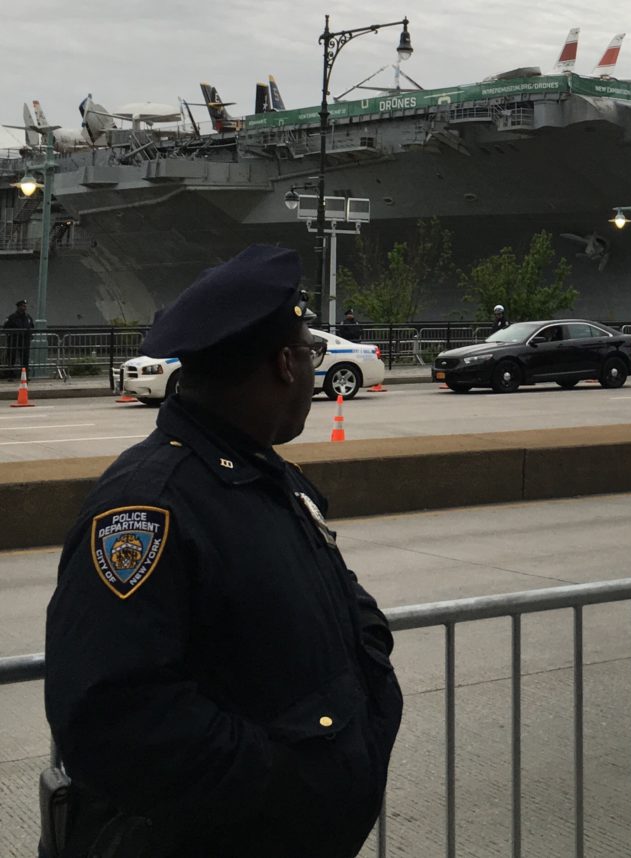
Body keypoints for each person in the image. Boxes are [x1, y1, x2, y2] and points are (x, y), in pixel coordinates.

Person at [43, 246, 403, 858]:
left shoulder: (264, 477)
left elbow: (347, 608)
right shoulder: (147, 507)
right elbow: (113, 718)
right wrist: (290, 784)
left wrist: (368, 712)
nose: (314, 375)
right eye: (309, 354)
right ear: (285, 365)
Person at [3, 298, 34, 379]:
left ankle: (25, 375)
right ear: (19, 307)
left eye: (25, 306)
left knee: (25, 359)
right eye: (23, 306)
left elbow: (31, 327)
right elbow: (5, 328)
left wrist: (30, 336)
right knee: (11, 358)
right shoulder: (12, 317)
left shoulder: (28, 317)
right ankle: (10, 375)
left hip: (25, 341)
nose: (24, 308)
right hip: (14, 341)